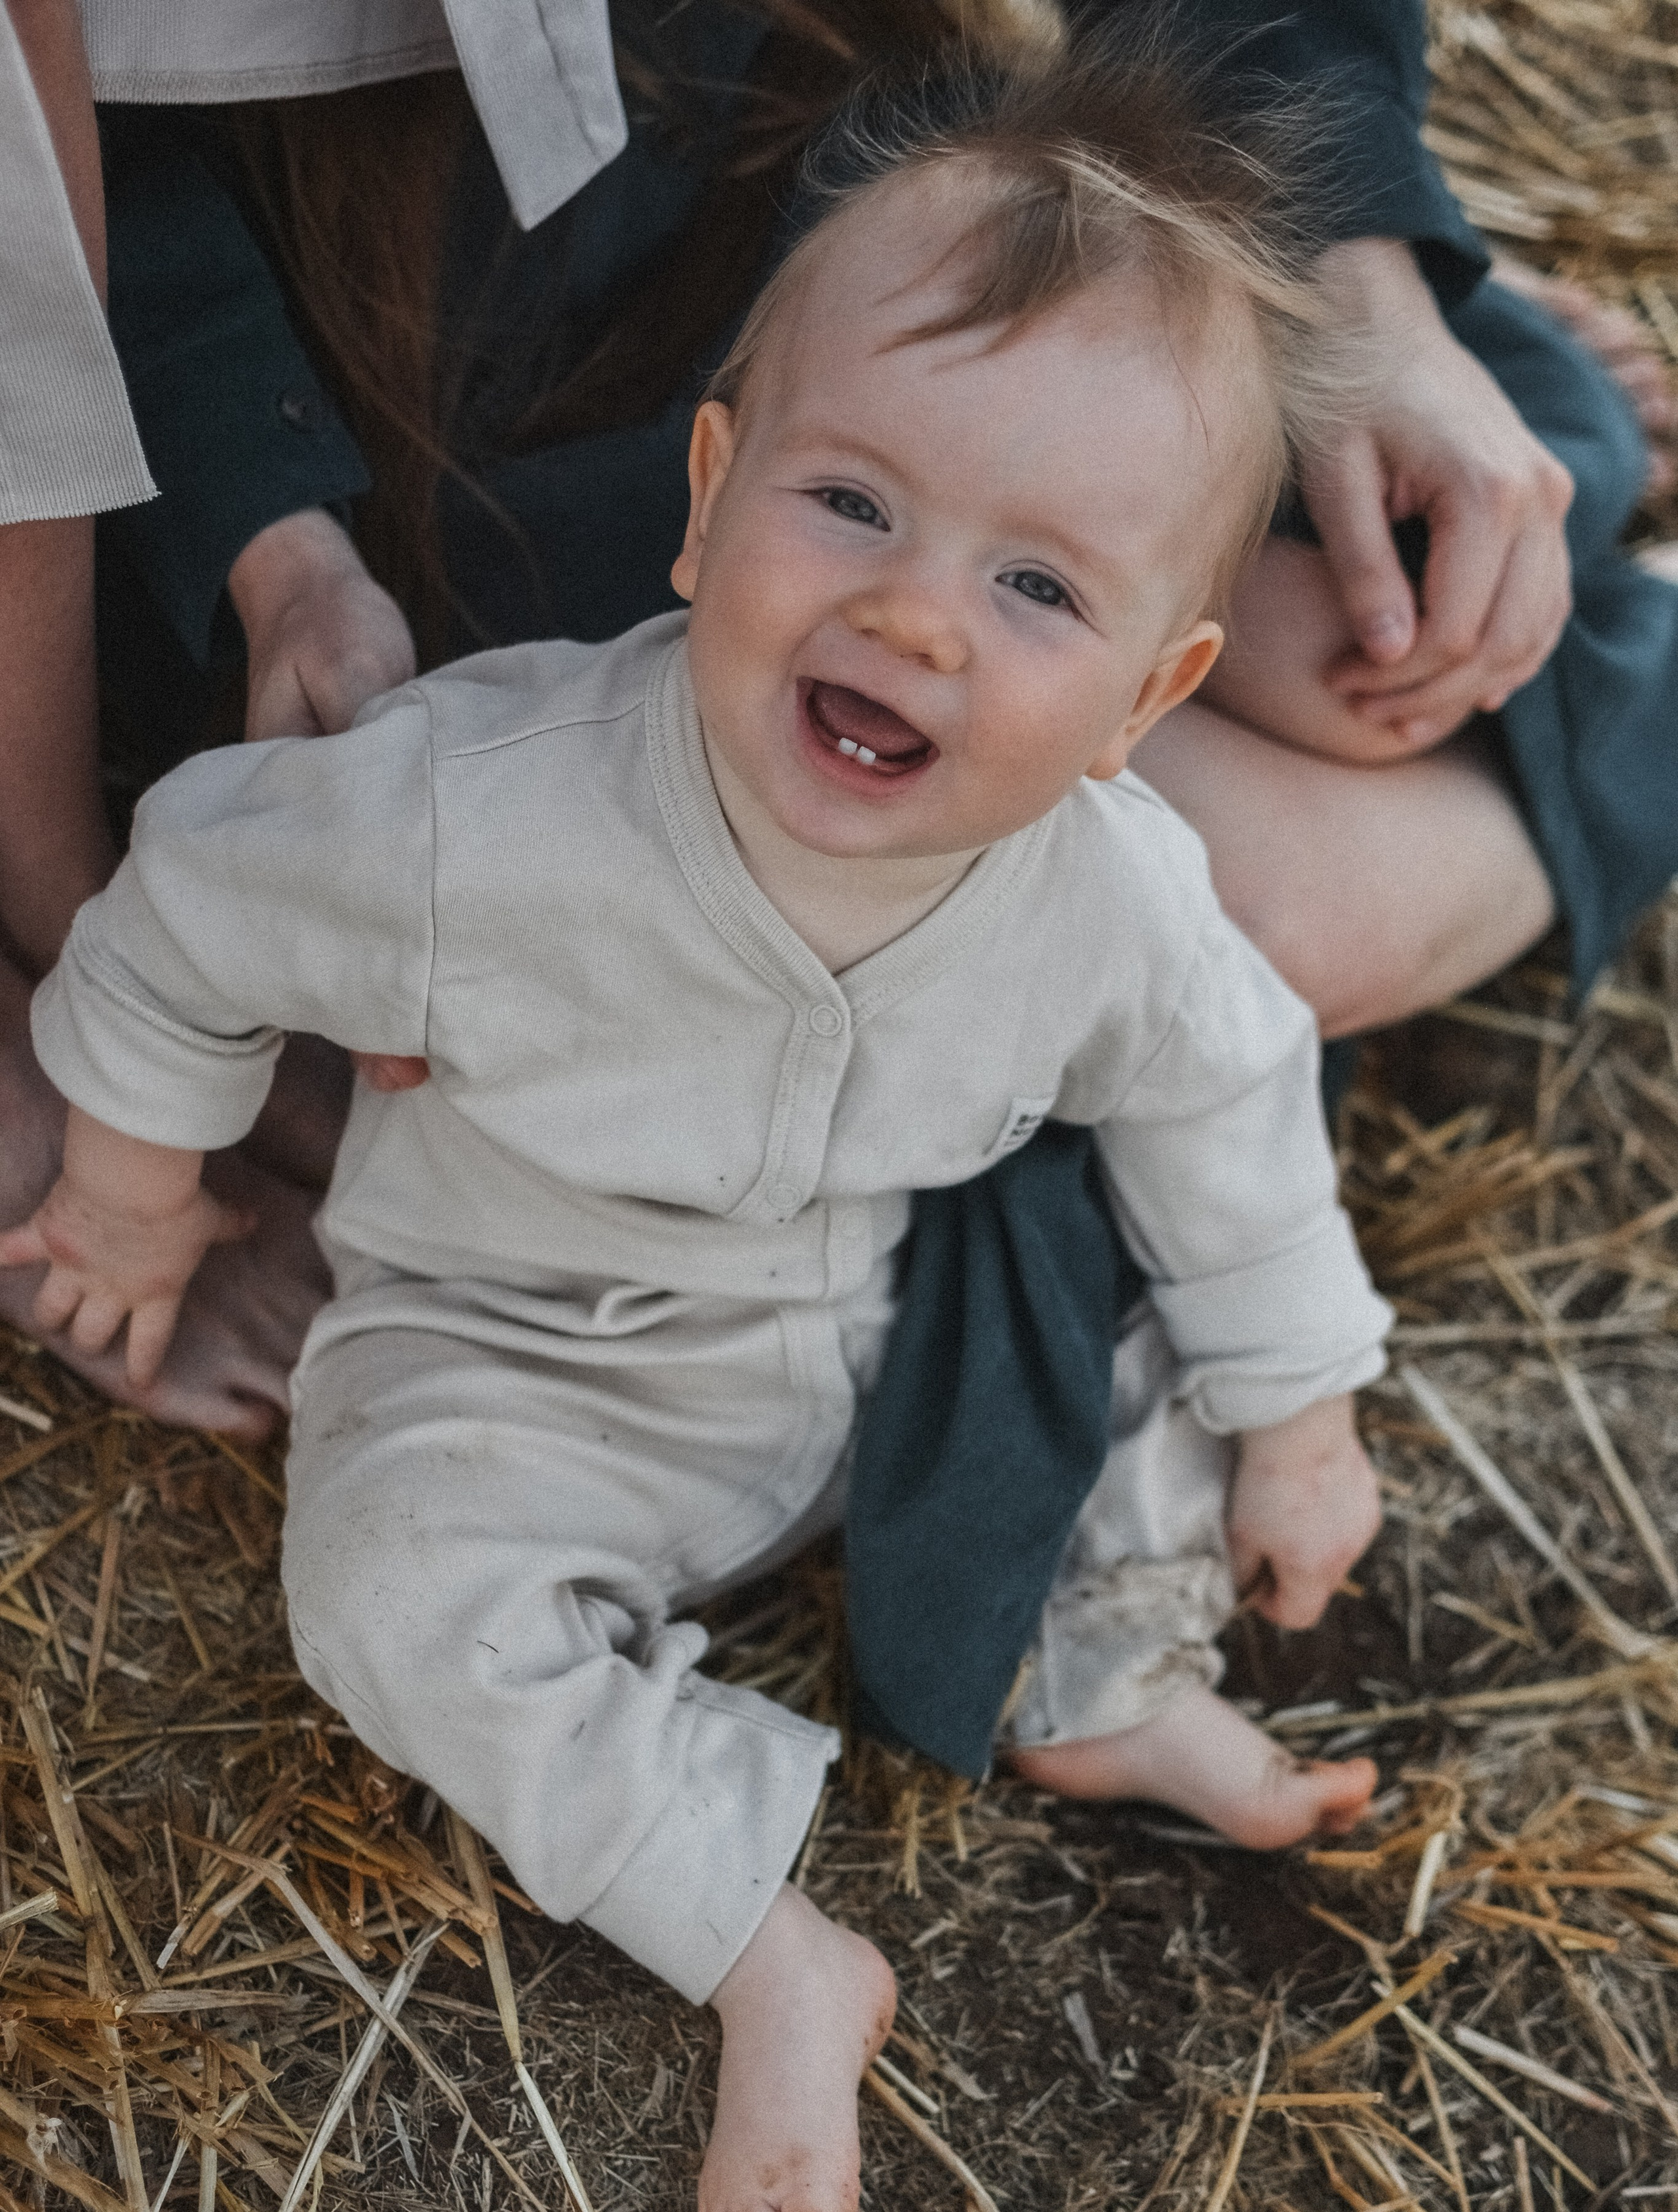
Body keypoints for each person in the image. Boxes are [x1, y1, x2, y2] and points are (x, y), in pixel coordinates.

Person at [4, 45, 1391, 2212]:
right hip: (517, 1348)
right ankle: (764, 1941)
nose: (918, 617)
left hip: (864, 1313)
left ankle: (1104, 1668)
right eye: (852, 505)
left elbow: (1231, 1099)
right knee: (384, 1588)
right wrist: (139, 1187)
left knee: (1112, 1297)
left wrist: (1302, 1405)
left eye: (1039, 590)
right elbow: (189, 912)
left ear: (1157, 692)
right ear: (711, 489)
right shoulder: (484, 809)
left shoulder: (1113, 888)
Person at [2, 0, 1671, 1440]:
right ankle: (1624, 657)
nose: (912, 622)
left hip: (748, 155)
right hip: (320, 319)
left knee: (1382, 611)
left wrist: (1353, 274)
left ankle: (1435, 437)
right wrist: (271, 530)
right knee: (1270, 914)